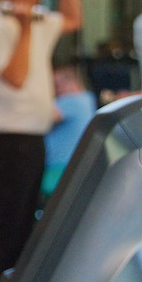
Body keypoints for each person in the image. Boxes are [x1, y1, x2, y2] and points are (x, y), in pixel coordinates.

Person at [0, 0, 82, 282]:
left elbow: (73, 19)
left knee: (24, 232)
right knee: (6, 229)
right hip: (9, 142)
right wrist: (22, 30)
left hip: (34, 141)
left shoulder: (38, 22)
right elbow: (16, 77)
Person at [40, 63, 96, 199]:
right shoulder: (87, 99)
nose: (54, 91)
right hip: (68, 166)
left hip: (58, 169)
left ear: (70, 83)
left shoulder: (73, 100)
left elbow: (42, 116)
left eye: (55, 86)